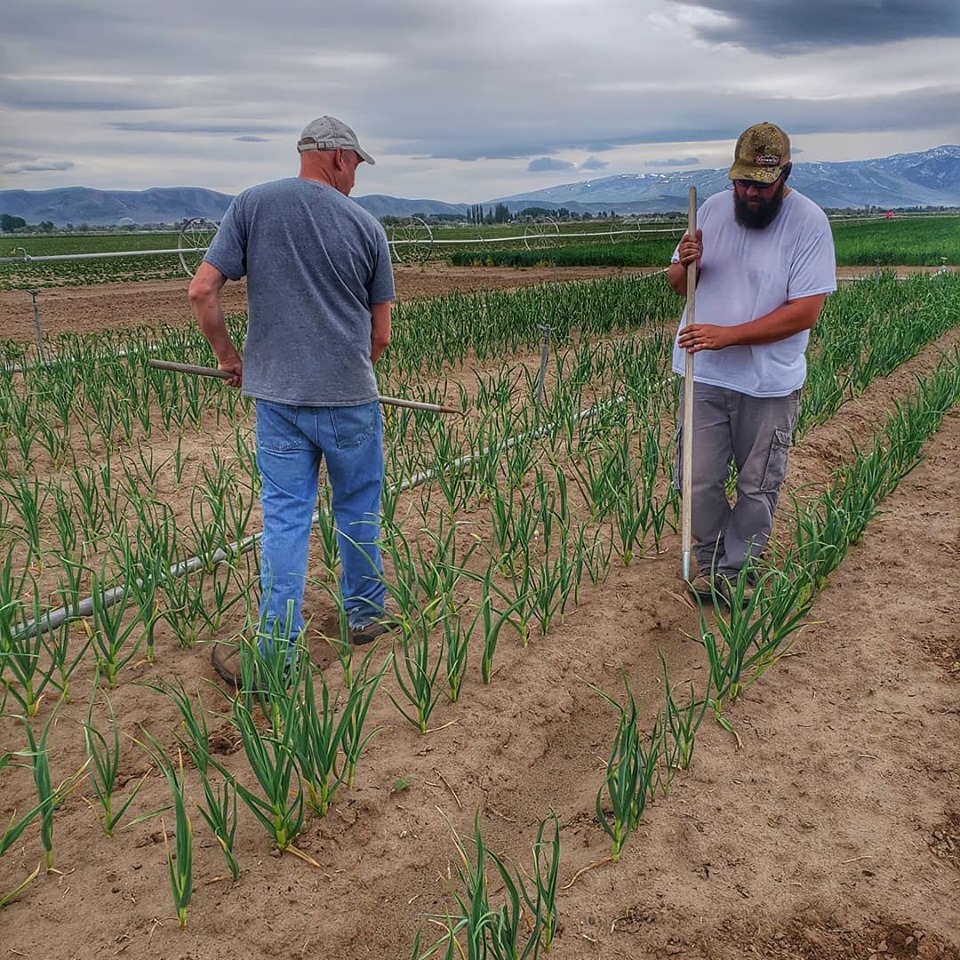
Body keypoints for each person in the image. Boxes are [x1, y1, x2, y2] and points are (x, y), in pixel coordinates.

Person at [189, 115, 396, 684]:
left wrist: (232, 359)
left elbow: (202, 289)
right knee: (357, 506)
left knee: (285, 519)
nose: (356, 177)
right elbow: (380, 335)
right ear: (336, 157)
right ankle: (366, 618)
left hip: (277, 402)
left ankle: (277, 648)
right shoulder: (367, 227)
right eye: (355, 164)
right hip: (350, 400)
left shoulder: (251, 205)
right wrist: (348, 375)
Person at [668, 121, 836, 602]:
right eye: (741, 183)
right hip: (702, 373)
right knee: (695, 476)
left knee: (757, 484)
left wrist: (730, 337)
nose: (749, 193)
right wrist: (684, 261)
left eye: (760, 185)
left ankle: (736, 572)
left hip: (767, 382)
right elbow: (679, 285)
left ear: (784, 175)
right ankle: (710, 558)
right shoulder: (712, 212)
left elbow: (805, 312)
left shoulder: (809, 222)